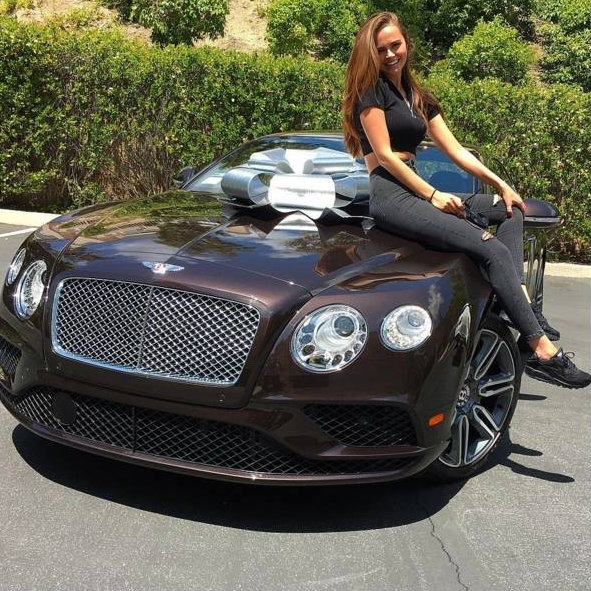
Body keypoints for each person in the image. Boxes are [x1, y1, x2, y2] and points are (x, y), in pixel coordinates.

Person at [342, 11, 591, 389]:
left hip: (412, 189)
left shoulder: (418, 98)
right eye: (381, 49)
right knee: (491, 249)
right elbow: (387, 157)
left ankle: (520, 301)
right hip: (391, 195)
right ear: (370, 53)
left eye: (395, 45)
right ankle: (541, 350)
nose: (390, 54)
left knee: (510, 210)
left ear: (407, 43)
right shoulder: (371, 93)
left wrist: (501, 184)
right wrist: (433, 194)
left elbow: (457, 151)